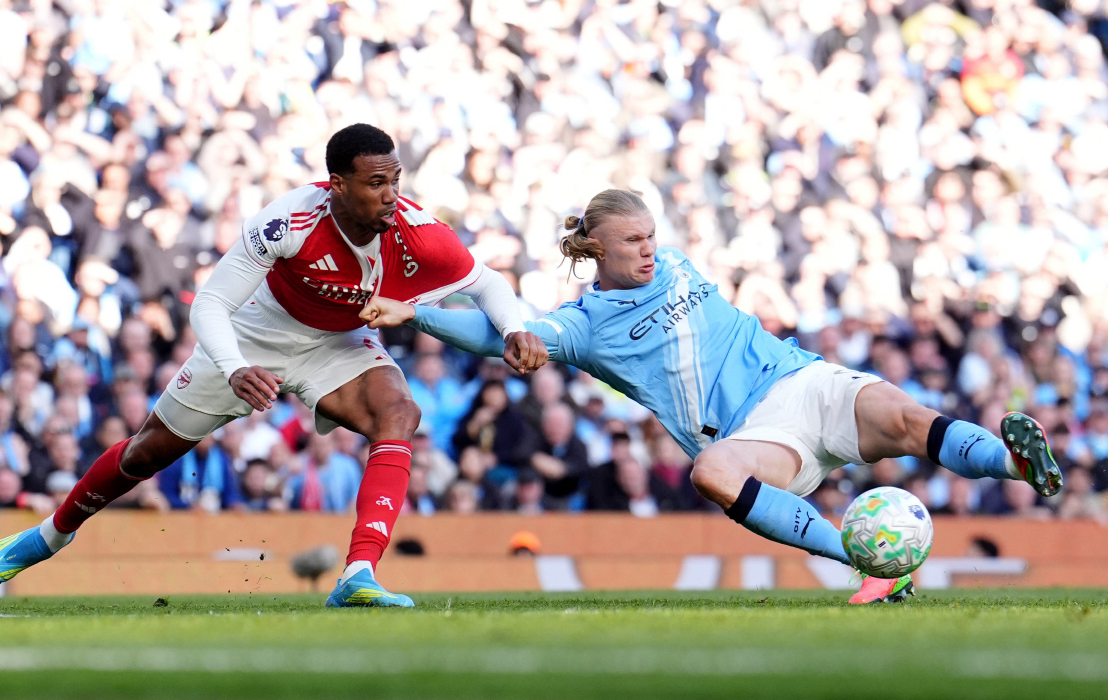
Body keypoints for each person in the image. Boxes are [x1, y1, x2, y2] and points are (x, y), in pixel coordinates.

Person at [360, 189, 1063, 604]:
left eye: (650, 236)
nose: (647, 248)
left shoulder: (673, 262)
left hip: (804, 378)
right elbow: (497, 336)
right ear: (597, 250)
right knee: (712, 473)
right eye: (631, 240)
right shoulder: (581, 325)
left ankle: (1016, 464)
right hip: (755, 432)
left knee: (910, 416)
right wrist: (416, 312)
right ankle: (868, 564)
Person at [0, 124, 547, 608]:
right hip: (255, 334)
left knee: (399, 411)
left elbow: (484, 283)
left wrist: (514, 328)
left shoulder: (419, 233)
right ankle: (50, 536)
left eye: (395, 180)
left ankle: (358, 575)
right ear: (337, 185)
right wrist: (233, 367)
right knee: (147, 452)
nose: (391, 194)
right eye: (376, 183)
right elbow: (212, 303)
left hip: (339, 344)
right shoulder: (289, 221)